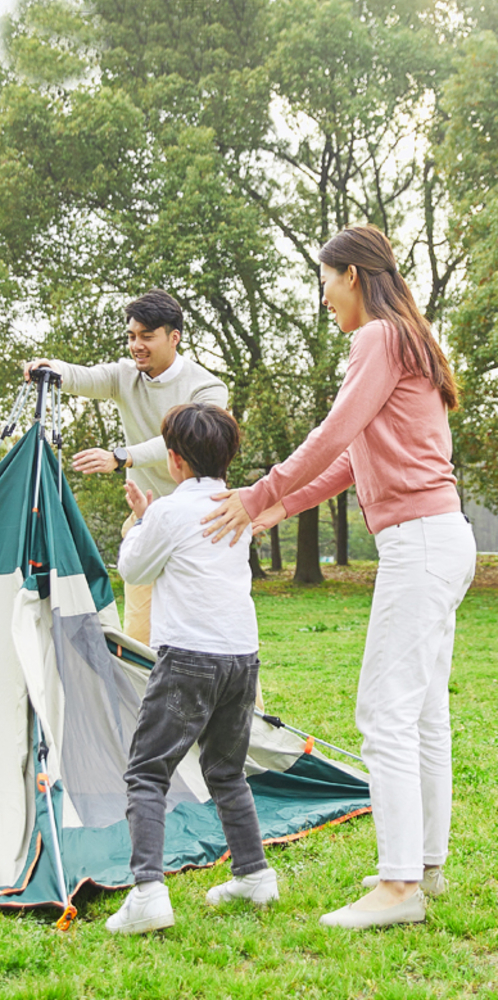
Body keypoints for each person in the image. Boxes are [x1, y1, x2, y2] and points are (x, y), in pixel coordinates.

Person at [203, 223, 477, 929]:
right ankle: (425, 867)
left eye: (324, 279)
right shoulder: (409, 339)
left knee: (384, 712)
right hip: (442, 539)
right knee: (421, 713)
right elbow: (353, 460)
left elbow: (329, 434)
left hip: (418, 543)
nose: (323, 296)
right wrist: (277, 510)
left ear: (351, 275)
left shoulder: (377, 339)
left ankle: (397, 889)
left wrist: (256, 494)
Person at [105, 402, 277, 935]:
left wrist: (140, 518)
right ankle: (254, 874)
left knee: (147, 771)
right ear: (227, 457)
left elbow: (133, 567)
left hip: (188, 661)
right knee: (226, 770)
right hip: (241, 658)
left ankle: (149, 893)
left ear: (174, 460)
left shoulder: (169, 512)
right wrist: (149, 516)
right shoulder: (237, 507)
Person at [24, 289, 228, 644]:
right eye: (132, 336)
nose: (137, 345)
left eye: (147, 336)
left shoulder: (208, 388)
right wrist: (52, 368)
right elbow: (82, 377)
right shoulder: (124, 376)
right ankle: (142, 699)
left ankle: (244, 702)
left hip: (202, 521)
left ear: (174, 337)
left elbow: (182, 440)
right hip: (146, 518)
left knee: (216, 630)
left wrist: (121, 456)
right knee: (139, 633)